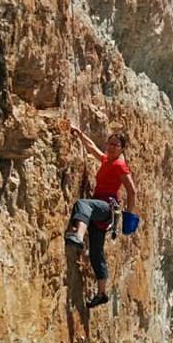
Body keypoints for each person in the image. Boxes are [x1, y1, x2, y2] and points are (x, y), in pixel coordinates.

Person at [65, 125, 137, 308]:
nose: (112, 147)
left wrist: (130, 215)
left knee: (82, 204)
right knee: (97, 252)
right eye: (110, 143)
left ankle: (78, 236)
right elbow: (91, 148)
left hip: (106, 208)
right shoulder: (106, 160)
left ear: (122, 149)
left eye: (116, 145)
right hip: (101, 210)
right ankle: (102, 293)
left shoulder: (120, 165)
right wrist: (79, 133)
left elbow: (132, 190)